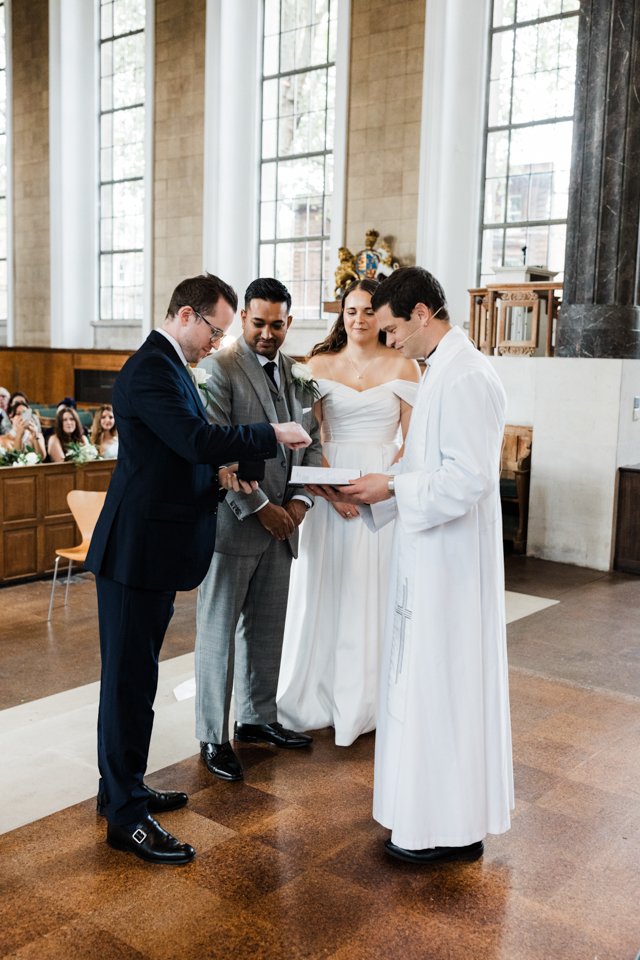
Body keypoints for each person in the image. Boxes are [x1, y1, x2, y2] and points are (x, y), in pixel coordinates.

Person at [85, 273, 311, 866]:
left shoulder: (170, 366)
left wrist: (216, 473)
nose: (218, 342)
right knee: (128, 686)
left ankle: (121, 790)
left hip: (153, 551)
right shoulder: (151, 369)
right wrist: (268, 433)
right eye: (215, 329)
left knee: (137, 683)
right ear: (186, 315)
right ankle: (127, 818)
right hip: (135, 554)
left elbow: (177, 453)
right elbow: (192, 435)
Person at [322, 266, 514, 864]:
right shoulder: (440, 372)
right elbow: (429, 462)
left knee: (445, 690)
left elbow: (470, 478)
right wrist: (387, 483)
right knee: (423, 687)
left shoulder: (466, 377)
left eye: (393, 328)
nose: (389, 342)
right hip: (427, 558)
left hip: (451, 570)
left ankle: (448, 828)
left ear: (423, 314)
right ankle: (426, 819)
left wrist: (395, 489)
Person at [277, 279, 420, 745]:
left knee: (371, 588)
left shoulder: (405, 364)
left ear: (383, 316)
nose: (359, 319)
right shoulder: (317, 365)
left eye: (368, 311)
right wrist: (333, 492)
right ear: (342, 315)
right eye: (351, 310)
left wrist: (382, 488)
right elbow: (307, 438)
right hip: (329, 488)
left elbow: (411, 442)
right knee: (328, 584)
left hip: (379, 491)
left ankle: (368, 697)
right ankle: (316, 691)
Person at [194, 277, 323, 783]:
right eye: (258, 322)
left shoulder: (298, 374)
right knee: (218, 635)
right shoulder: (218, 369)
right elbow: (218, 447)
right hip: (236, 526)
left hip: (284, 526)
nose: (267, 333)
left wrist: (299, 503)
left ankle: (257, 719)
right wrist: (264, 506)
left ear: (288, 323)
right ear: (244, 318)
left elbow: (310, 444)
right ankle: (212, 735)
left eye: (277, 324)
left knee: (268, 629)